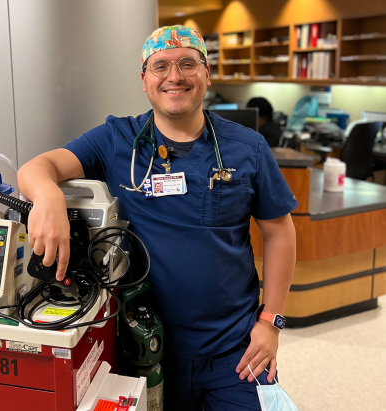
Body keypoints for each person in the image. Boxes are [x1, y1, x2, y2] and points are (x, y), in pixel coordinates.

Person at [18, 25, 297, 410]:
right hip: (144, 347)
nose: (175, 76)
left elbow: (280, 232)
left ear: (206, 73)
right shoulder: (117, 140)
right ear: (144, 80)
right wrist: (47, 197)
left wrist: (271, 322)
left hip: (237, 350)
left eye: (188, 63)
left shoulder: (247, 147)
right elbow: (36, 168)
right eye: (160, 66)